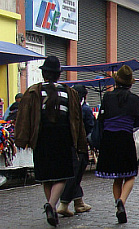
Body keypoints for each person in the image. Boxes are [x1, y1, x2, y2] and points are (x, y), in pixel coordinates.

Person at [15, 56, 87, 227]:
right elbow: (77, 120)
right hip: (63, 137)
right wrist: (80, 142)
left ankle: (51, 207)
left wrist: (21, 139)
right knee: (63, 175)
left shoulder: (33, 92)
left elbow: (23, 117)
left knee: (46, 176)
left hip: (41, 138)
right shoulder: (69, 93)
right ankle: (51, 206)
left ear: (44, 74)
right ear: (58, 75)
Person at [94, 65, 139, 224]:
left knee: (117, 177)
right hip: (125, 138)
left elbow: (101, 119)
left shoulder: (107, 97)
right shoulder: (134, 99)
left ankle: (118, 205)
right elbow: (138, 122)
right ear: (130, 84)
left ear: (116, 81)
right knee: (130, 174)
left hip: (109, 138)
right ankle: (122, 201)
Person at [56, 85, 94, 217]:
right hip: (78, 146)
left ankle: (79, 202)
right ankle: (64, 203)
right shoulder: (85, 109)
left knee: (75, 175)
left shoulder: (67, 107)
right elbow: (90, 128)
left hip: (69, 145)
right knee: (74, 175)